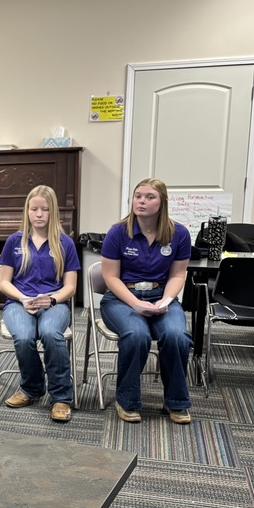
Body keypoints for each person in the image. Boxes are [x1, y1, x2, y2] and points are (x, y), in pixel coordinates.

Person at [100, 177, 192, 424]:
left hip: (161, 296)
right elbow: (110, 276)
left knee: (176, 336)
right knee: (137, 334)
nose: (141, 201)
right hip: (120, 299)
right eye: (138, 196)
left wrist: (166, 300)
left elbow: (178, 274)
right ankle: (127, 401)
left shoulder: (179, 233)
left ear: (162, 202)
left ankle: (176, 402)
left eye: (150, 197)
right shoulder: (118, 232)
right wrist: (135, 304)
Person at [0, 185, 80, 422]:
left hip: (54, 303)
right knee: (23, 337)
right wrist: (23, 299)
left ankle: (61, 397)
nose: (39, 214)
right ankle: (31, 388)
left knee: (51, 333)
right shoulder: (15, 241)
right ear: (27, 211)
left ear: (53, 212)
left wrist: (52, 299)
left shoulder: (65, 243)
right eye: (34, 209)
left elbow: (71, 287)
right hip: (19, 303)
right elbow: (4, 282)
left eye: (45, 209)